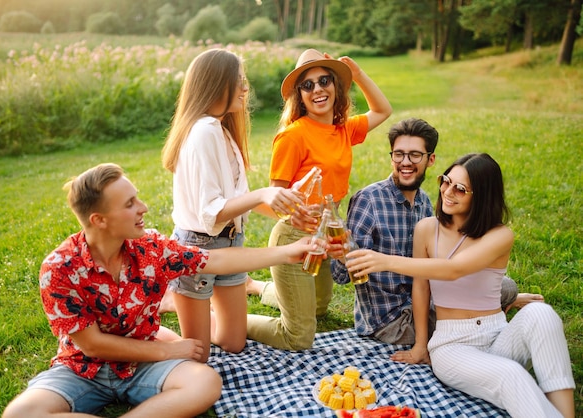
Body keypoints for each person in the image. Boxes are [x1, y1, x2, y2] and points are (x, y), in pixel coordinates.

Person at [2, 163, 315, 418]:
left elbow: (215, 258)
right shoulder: (59, 268)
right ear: (99, 220)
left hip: (142, 366)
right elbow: (94, 345)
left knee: (205, 383)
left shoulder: (150, 247)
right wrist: (167, 350)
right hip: (83, 369)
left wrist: (288, 252)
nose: (144, 207)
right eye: (130, 204)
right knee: (19, 414)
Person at [346, 153, 575, 417]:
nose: (448, 192)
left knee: (542, 314)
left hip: (498, 335)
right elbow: (420, 287)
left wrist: (385, 261)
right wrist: (421, 346)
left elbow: (454, 269)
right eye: (446, 181)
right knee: (512, 375)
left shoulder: (499, 235)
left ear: (482, 196)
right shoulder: (426, 229)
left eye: (460, 189)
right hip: (452, 347)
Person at [330, 118, 542, 345]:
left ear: (430, 159)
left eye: (414, 155)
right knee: (475, 310)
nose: (405, 162)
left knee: (506, 287)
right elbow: (342, 277)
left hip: (429, 299)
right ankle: (495, 308)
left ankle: (499, 304)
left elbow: (441, 266)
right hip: (391, 322)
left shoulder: (425, 201)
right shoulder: (368, 200)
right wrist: (344, 256)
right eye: (398, 154)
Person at [159, 49, 302, 362]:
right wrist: (264, 193)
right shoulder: (202, 133)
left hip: (230, 242)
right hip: (197, 248)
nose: (245, 90)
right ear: (215, 84)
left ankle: (180, 300)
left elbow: (239, 204)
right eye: (238, 83)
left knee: (234, 343)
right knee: (198, 356)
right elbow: (211, 214)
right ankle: (174, 297)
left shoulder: (222, 131)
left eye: (244, 82)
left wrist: (292, 213)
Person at [246, 48, 393, 350]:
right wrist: (290, 216)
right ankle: (230, 320)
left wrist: (358, 74)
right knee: (299, 336)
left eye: (324, 80)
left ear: (336, 87)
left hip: (324, 234)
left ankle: (257, 287)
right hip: (293, 237)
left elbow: (382, 110)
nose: (317, 90)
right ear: (299, 96)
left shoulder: (343, 129)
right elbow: (275, 198)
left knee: (320, 306)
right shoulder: (293, 137)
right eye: (307, 85)